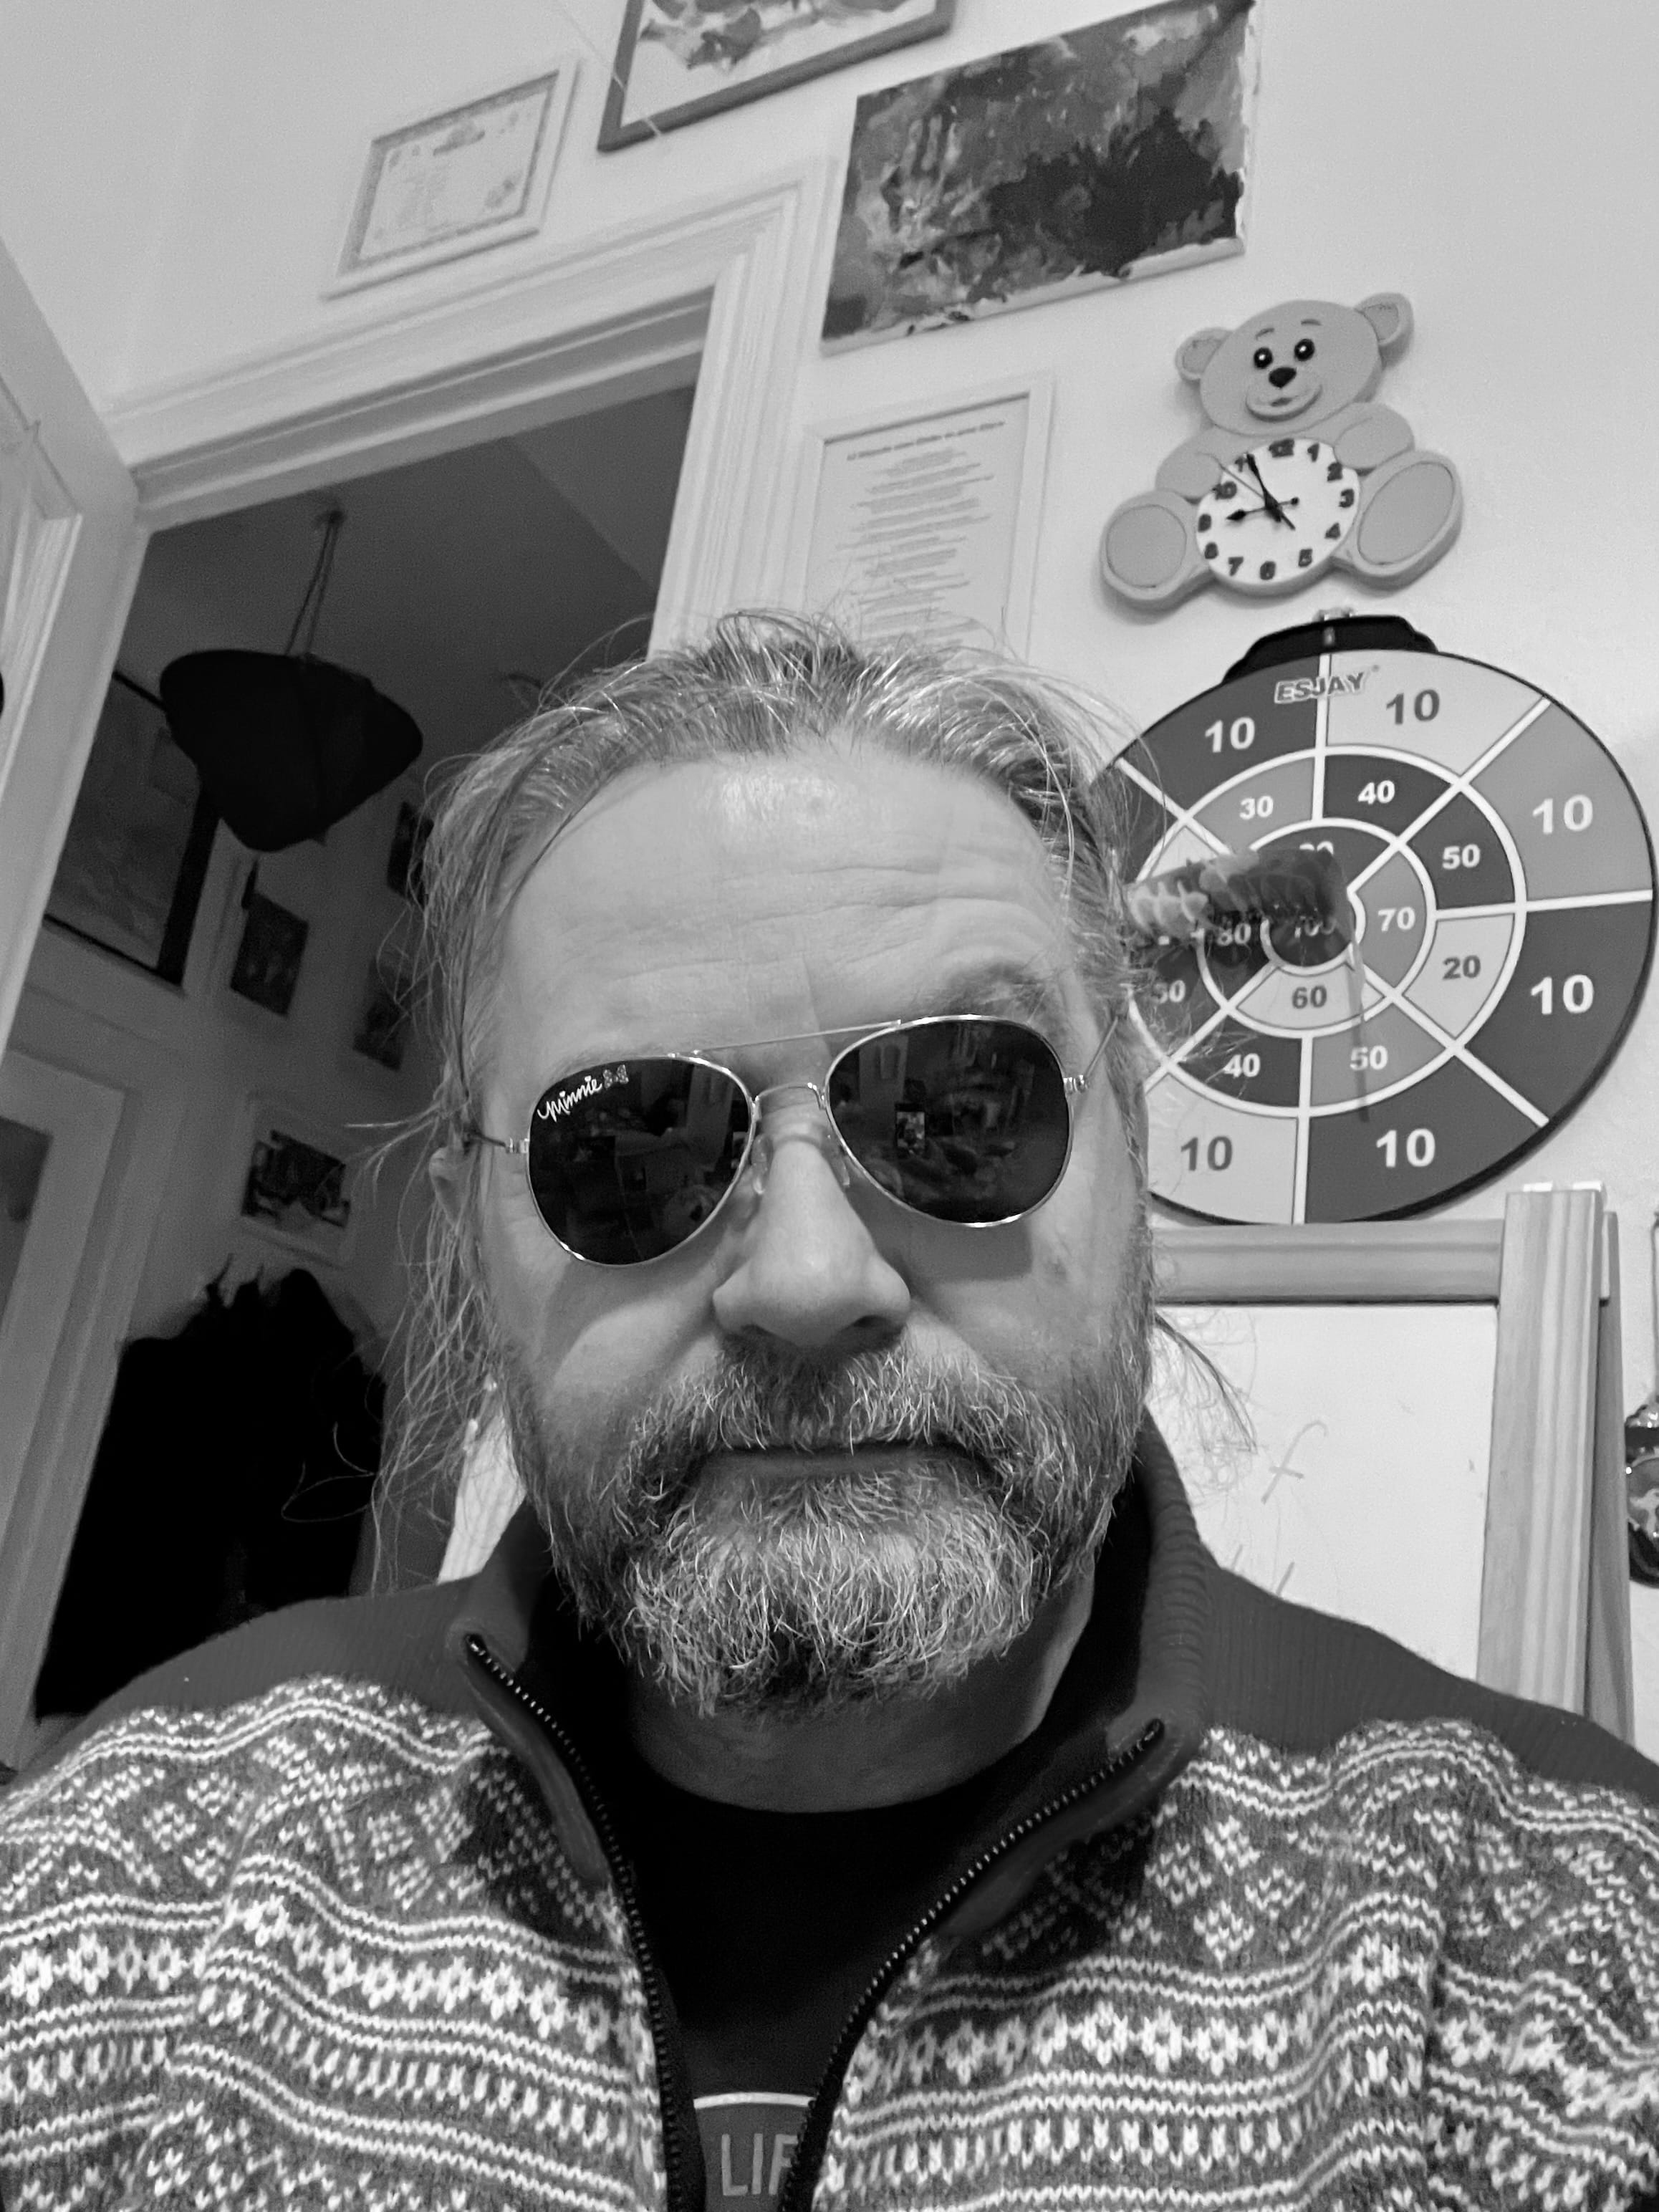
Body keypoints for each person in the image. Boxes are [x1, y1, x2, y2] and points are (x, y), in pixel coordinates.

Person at [4, 614, 1657, 2212]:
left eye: (964, 1108)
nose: (806, 1277)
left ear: (1133, 1166)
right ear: (473, 1236)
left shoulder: (1545, 1948)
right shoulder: (136, 1869)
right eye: (629, 1147)